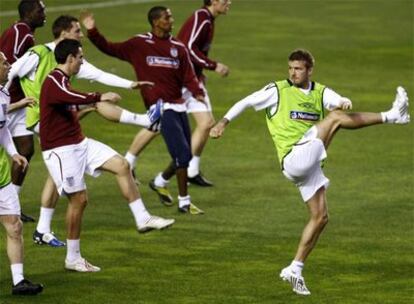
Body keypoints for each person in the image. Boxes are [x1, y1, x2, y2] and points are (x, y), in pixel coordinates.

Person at [209, 49, 410, 295]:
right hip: (294, 158)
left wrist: (343, 101)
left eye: (298, 68)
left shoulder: (320, 91)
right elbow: (245, 101)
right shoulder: (277, 90)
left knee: (320, 217)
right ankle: (392, 116)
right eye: (291, 68)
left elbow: (338, 100)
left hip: (309, 165)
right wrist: (222, 122)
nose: (293, 73)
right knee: (335, 119)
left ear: (309, 70)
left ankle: (295, 268)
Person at [8, 15, 161, 247]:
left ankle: (42, 229)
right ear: (64, 34)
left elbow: (99, 74)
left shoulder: (72, 59)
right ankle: (145, 120)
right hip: (44, 119)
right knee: (75, 192)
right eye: (77, 31)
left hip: (62, 118)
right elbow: (11, 72)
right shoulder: (39, 54)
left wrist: (129, 84)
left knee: (57, 171)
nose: (81, 36)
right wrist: (5, 100)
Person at [39, 39, 174, 272]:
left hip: (79, 143)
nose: (83, 61)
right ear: (70, 59)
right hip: (60, 151)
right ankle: (72, 258)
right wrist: (99, 96)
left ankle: (142, 218)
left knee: (122, 165)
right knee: (79, 201)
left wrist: (96, 102)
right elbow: (74, 98)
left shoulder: (64, 81)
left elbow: (74, 102)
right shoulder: (53, 81)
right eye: (80, 57)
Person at [82, 6, 206, 214]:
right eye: (167, 17)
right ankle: (184, 202)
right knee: (183, 156)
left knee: (184, 156)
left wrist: (197, 92)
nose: (172, 19)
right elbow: (109, 48)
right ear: (156, 21)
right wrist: (92, 30)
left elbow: (188, 75)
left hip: (178, 105)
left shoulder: (178, 47)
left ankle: (160, 181)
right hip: (160, 107)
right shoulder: (139, 44)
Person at [124, 0, 231, 189]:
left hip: (191, 79)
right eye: (224, 0)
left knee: (204, 123)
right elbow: (188, 48)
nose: (229, 2)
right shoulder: (202, 18)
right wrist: (213, 65)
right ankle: (130, 163)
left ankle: (190, 170)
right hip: (181, 81)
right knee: (158, 124)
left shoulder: (207, 19)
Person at [0, 51, 43, 295]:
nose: (9, 66)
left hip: (3, 175)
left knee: (14, 226)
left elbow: (3, 127)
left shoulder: (3, 93)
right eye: (5, 63)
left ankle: (19, 281)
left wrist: (14, 152)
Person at [0, 0, 46, 222]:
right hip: (8, 101)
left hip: (20, 101)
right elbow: (8, 64)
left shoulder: (25, 32)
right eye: (40, 10)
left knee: (26, 150)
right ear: (29, 13)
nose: (44, 13)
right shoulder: (20, 33)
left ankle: (13, 205)